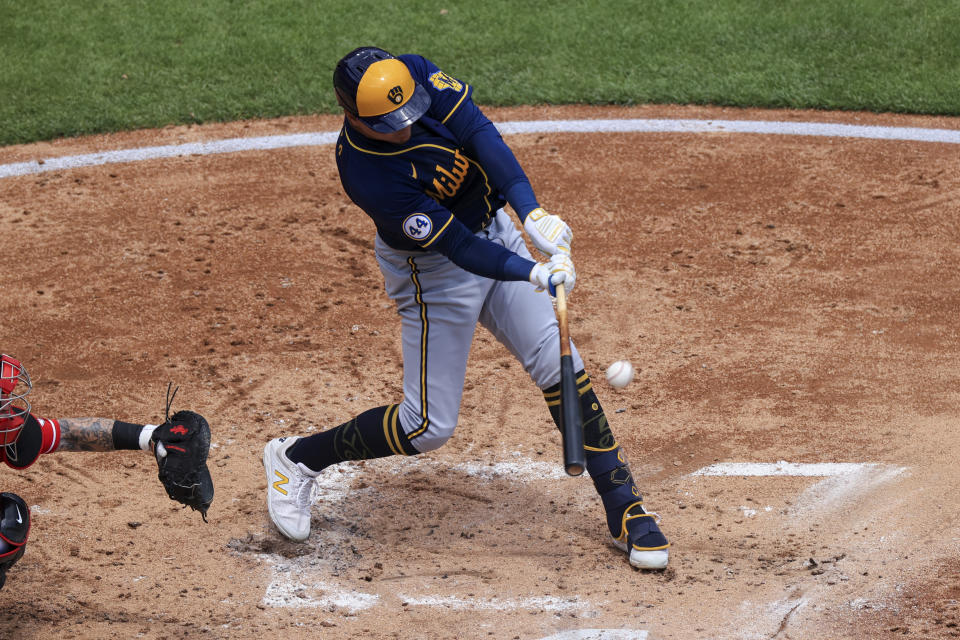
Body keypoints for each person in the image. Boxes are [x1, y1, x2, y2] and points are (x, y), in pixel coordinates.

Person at [263, 46, 669, 569]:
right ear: (353, 116)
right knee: (427, 426)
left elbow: (480, 134)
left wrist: (530, 211)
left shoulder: (412, 74)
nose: (405, 128)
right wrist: (533, 271)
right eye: (389, 124)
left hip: (495, 231)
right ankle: (297, 458)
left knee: (557, 360)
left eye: (409, 112)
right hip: (434, 273)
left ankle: (624, 507)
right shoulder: (368, 174)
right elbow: (456, 246)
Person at [0, 353, 214, 589]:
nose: (6, 406)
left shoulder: (7, 427)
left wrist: (150, 439)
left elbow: (67, 434)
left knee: (10, 520)